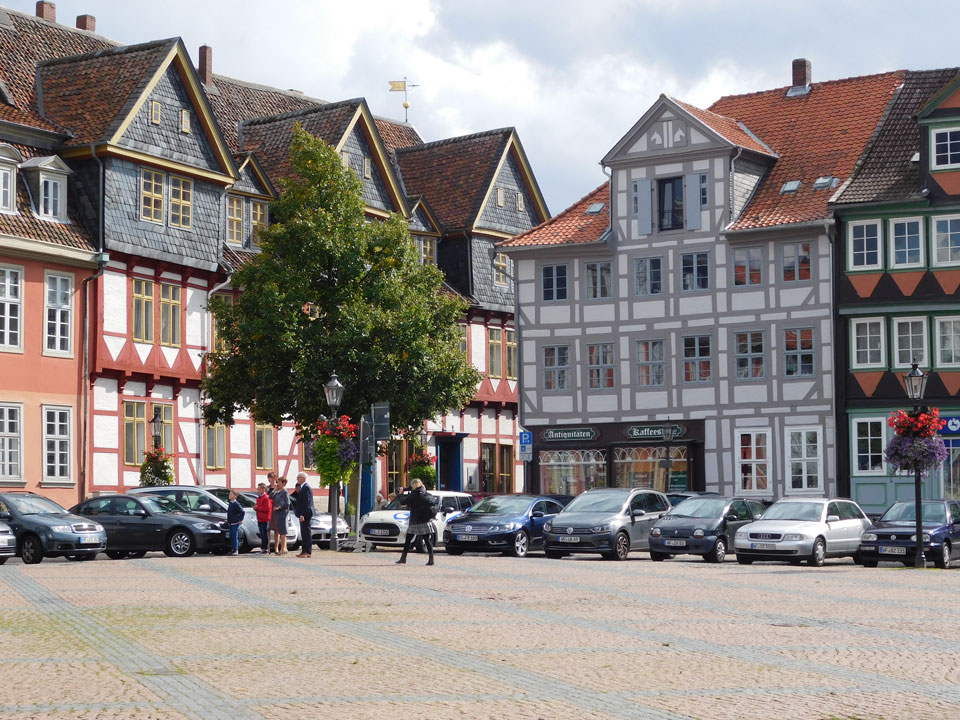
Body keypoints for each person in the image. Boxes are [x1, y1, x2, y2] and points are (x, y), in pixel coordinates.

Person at [396, 479, 437, 566]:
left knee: (408, 540)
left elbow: (403, 502)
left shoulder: (414, 494)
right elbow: (412, 488)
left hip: (415, 520)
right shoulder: (424, 492)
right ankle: (431, 560)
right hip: (425, 520)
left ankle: (403, 558)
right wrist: (406, 489)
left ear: (413, 485)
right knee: (427, 540)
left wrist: (400, 494)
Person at [294, 472, 315, 558]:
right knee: (303, 532)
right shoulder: (302, 487)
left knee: (306, 532)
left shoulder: (306, 488)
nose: (297, 479)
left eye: (298, 477)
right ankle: (304, 551)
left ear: (303, 478)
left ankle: (307, 551)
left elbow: (306, 502)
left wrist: (302, 514)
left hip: (306, 513)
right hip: (303, 513)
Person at [272, 477, 290, 555]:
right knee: (280, 531)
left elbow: (287, 503)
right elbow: (270, 497)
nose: (277, 484)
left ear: (284, 483)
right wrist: (274, 490)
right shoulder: (278, 492)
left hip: (282, 513)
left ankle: (282, 549)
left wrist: (279, 507)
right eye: (277, 482)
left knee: (283, 532)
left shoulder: (285, 492)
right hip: (278, 513)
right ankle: (284, 548)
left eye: (279, 482)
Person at [254, 482, 272, 554]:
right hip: (260, 518)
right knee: (262, 534)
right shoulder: (258, 498)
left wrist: (257, 508)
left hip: (265, 518)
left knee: (264, 534)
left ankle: (265, 548)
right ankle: (263, 548)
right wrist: (255, 508)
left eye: (259, 489)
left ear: (263, 489)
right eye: (258, 489)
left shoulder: (266, 498)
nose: (258, 491)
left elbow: (267, 508)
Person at [227, 490, 244, 555]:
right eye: (229, 494)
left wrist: (240, 520)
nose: (229, 495)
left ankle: (236, 549)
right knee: (231, 536)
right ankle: (233, 549)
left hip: (235, 522)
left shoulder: (236, 504)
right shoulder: (231, 503)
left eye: (231, 494)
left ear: (235, 496)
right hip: (231, 522)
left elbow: (242, 512)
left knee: (234, 536)